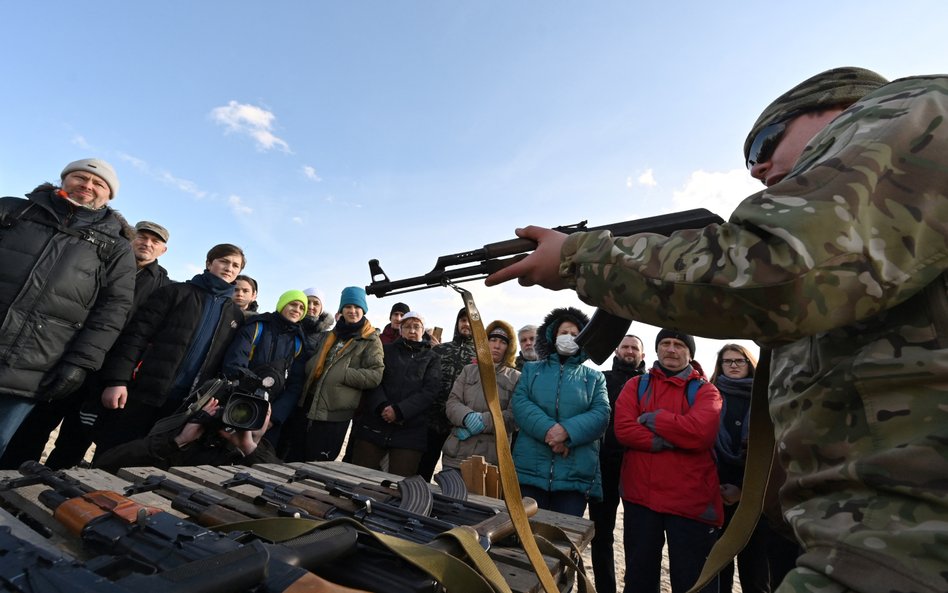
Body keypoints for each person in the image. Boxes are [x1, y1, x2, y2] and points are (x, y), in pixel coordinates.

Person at [485, 67, 948, 593]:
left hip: (907, 539)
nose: (758, 169)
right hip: (876, 530)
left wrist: (579, 258)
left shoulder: (909, 110)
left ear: (841, 107)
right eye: (750, 159)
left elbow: (773, 270)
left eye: (767, 143)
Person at [0, 220, 172, 469]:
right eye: (142, 237)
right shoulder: (100, 262)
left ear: (163, 251)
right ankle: (10, 480)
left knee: (75, 439)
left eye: (155, 241)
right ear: (130, 239)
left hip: (104, 374)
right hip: (65, 357)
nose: (147, 244)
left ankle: (49, 487)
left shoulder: (164, 288)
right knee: (34, 426)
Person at [0, 158, 135, 456]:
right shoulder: (13, 210)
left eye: (98, 183)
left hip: (34, 365)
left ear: (108, 195)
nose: (87, 186)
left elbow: (112, 311)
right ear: (64, 179)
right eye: (79, 177)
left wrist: (80, 363)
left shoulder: (117, 247)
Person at [93, 243, 246, 458]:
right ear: (209, 263)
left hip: (184, 406)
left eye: (235, 265)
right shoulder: (174, 293)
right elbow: (135, 338)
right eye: (224, 261)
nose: (229, 268)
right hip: (144, 393)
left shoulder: (235, 316)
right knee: (114, 453)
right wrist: (117, 380)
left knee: (153, 463)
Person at [613, 330, 723, 593]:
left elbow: (700, 434)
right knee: (639, 578)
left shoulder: (707, 392)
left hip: (690, 504)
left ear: (690, 353)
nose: (671, 349)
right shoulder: (636, 385)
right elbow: (624, 429)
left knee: (693, 582)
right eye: (665, 344)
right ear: (657, 349)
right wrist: (666, 439)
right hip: (641, 498)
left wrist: (655, 419)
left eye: (678, 344)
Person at [712, 344, 798, 593]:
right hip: (716, 497)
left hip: (757, 501)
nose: (734, 365)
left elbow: (773, 452)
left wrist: (743, 491)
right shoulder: (710, 396)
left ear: (750, 363)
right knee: (719, 575)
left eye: (740, 360)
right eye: (727, 361)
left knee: (756, 578)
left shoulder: (768, 398)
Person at [511, 307, 609, 517]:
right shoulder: (531, 370)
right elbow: (520, 403)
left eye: (575, 335)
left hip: (574, 476)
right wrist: (550, 431)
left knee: (563, 541)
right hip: (530, 470)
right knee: (524, 535)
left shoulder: (594, 378)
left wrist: (567, 432)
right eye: (564, 333)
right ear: (553, 336)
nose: (569, 338)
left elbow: (601, 414)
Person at [282, 286, 384, 462]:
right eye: (347, 307)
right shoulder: (330, 335)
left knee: (319, 463)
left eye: (357, 307)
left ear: (363, 310)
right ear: (341, 310)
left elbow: (375, 375)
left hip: (334, 413)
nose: (352, 311)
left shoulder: (371, 340)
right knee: (294, 456)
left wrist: (342, 374)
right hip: (308, 403)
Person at [94, 390, 278, 474]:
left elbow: (279, 490)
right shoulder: (199, 439)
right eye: (240, 409)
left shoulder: (264, 452)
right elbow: (106, 463)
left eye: (262, 412)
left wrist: (250, 448)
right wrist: (178, 441)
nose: (245, 417)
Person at [588, 334, 646, 593]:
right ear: (616, 350)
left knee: (639, 538)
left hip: (639, 469)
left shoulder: (650, 384)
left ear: (643, 355)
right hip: (604, 467)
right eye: (625, 346)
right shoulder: (600, 378)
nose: (630, 351)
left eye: (635, 348)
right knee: (601, 535)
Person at [350, 311, 441, 477]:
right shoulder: (386, 350)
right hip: (375, 424)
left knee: (398, 484)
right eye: (407, 327)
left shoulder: (432, 358)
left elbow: (430, 391)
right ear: (401, 330)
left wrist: (399, 411)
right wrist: (383, 406)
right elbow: (374, 380)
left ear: (423, 330)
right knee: (358, 476)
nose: (412, 331)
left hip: (410, 431)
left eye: (416, 327)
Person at [220, 289, 309, 447]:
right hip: (239, 403)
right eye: (293, 304)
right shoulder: (257, 327)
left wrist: (274, 417)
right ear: (282, 305)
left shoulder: (299, 343)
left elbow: (295, 385)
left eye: (302, 308)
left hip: (270, 415)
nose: (297, 310)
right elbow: (235, 363)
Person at [441, 320, 520, 469]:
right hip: (456, 455)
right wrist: (467, 417)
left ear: (509, 347)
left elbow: (514, 417)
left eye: (503, 342)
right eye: (492, 340)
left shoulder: (517, 378)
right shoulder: (468, 370)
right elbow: (452, 402)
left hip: (489, 461)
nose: (497, 345)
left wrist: (482, 421)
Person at [418, 308, 476, 480]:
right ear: (457, 323)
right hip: (432, 423)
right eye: (463, 320)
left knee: (452, 479)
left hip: (459, 427)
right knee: (422, 471)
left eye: (470, 320)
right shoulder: (440, 350)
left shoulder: (481, 357)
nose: (466, 324)